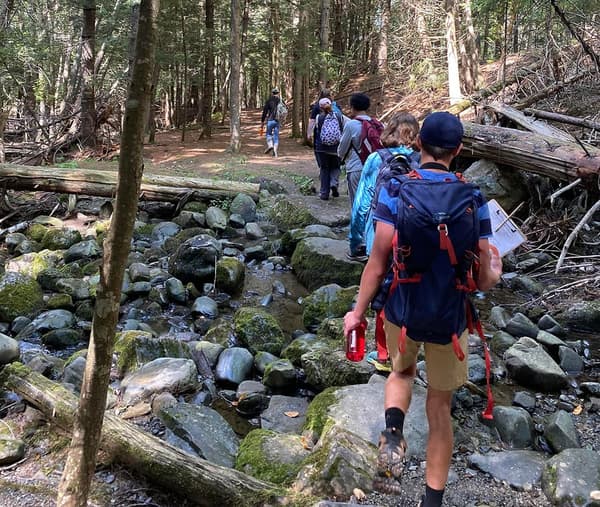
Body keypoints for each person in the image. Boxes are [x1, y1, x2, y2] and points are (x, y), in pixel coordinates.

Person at [343, 112, 502, 507]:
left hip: (402, 307)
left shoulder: (396, 190)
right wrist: (495, 272)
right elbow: (482, 279)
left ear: (419, 145)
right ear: (459, 150)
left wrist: (357, 312)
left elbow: (377, 262)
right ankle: (432, 502)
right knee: (440, 406)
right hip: (449, 316)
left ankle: (393, 431)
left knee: (401, 370)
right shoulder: (475, 198)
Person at [348, 112, 421, 261]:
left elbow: (362, 204)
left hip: (377, 238)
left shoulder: (376, 159)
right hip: (413, 239)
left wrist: (355, 242)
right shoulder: (421, 160)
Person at [337, 92, 380, 208]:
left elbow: (341, 149)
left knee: (357, 203)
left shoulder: (351, 125)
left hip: (356, 167)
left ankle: (358, 226)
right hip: (377, 168)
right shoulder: (377, 124)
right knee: (373, 202)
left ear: (352, 107)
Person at [309, 97, 344, 200]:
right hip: (335, 148)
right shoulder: (339, 116)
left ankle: (324, 193)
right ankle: (334, 182)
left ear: (320, 107)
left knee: (324, 169)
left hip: (321, 148)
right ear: (331, 104)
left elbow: (317, 131)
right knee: (336, 167)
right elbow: (342, 129)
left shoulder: (318, 117)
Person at [261, 88, 283, 157]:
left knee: (268, 134)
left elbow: (265, 112)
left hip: (270, 120)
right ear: (278, 93)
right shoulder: (281, 101)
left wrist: (262, 121)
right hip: (277, 121)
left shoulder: (269, 101)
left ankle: (270, 145)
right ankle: (275, 151)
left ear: (272, 93)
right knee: (276, 136)